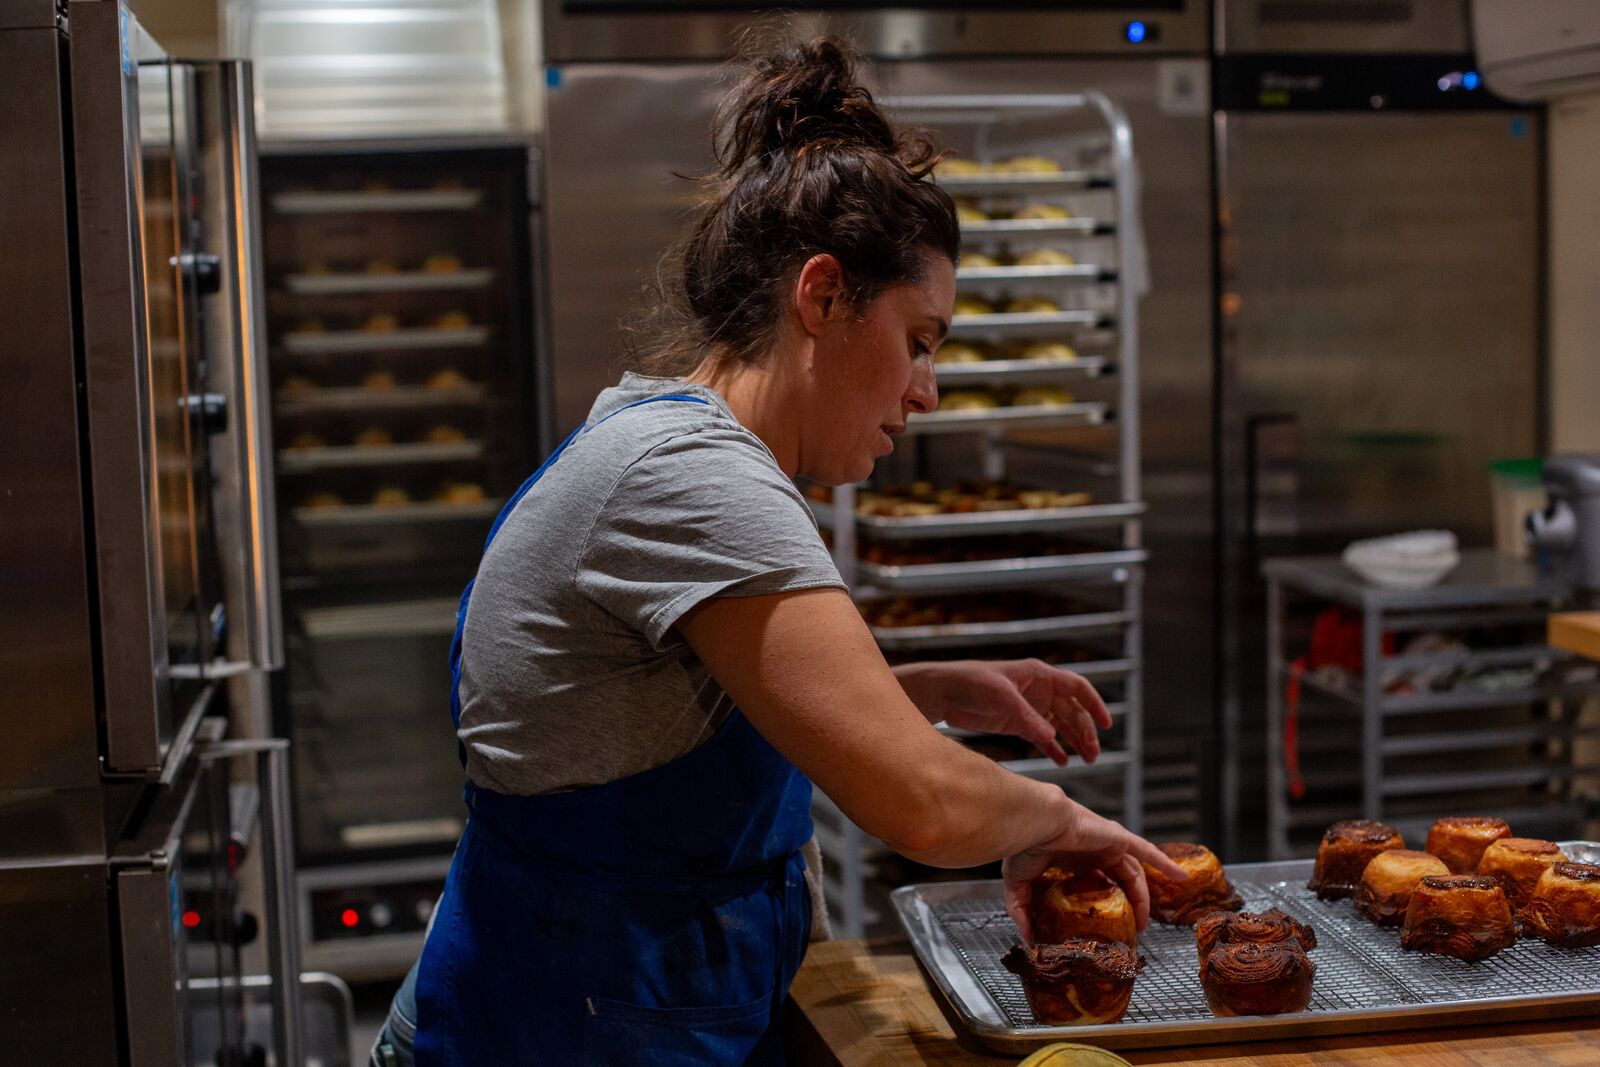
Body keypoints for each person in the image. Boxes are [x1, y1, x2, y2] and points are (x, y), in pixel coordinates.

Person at [377, 32, 1182, 1067]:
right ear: (821, 296)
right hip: (550, 1031)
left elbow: (660, 705)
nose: (925, 392)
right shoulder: (692, 478)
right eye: (919, 340)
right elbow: (921, 803)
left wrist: (920, 688)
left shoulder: (660, 437)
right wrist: (1052, 816)